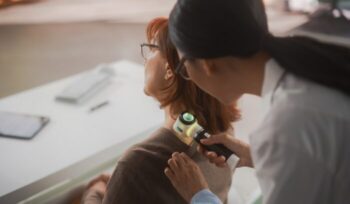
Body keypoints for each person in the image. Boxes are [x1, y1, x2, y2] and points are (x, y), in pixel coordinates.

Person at [164, 0, 350, 204]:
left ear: (207, 64)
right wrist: (252, 156)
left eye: (183, 67)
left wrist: (199, 196)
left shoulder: (285, 127)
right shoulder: (310, 67)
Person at [80, 17, 241, 204]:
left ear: (170, 69)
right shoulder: (225, 136)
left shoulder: (138, 163)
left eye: (151, 48)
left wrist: (95, 192)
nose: (146, 59)